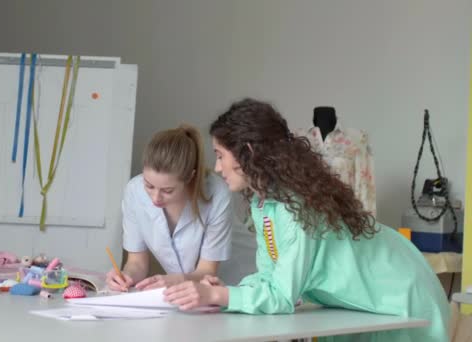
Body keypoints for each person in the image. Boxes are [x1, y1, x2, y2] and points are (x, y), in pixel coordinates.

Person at [163, 99, 449, 341]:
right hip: (361, 308)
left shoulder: (295, 208)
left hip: (401, 299)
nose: (217, 167)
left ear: (247, 153)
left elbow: (282, 297)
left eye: (220, 155)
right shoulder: (265, 204)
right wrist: (224, 291)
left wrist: (219, 297)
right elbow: (269, 277)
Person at [106, 124, 233, 292]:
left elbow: (207, 271)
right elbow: (137, 262)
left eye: (167, 190)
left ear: (190, 178)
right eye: (149, 185)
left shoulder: (217, 193)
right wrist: (126, 276)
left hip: (231, 283)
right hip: (188, 295)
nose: (155, 198)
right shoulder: (134, 191)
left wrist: (175, 281)